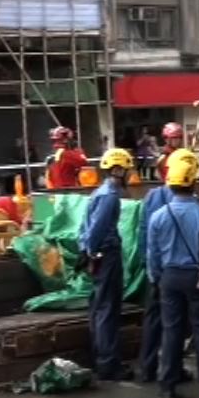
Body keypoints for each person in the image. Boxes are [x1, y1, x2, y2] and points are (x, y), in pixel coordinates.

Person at [146, 149, 199, 398]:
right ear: (193, 184)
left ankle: (167, 384)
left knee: (171, 330)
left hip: (169, 278)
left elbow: (153, 255)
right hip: (198, 278)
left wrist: (156, 279)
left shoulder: (158, 217)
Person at [138, 148, 195, 385]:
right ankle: (172, 371)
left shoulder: (153, 196)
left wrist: (149, 268)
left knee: (155, 320)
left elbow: (145, 233)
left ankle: (148, 369)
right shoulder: (190, 202)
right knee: (176, 323)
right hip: (176, 271)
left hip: (158, 270)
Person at [81, 148, 136, 382]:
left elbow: (87, 228)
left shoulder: (100, 193)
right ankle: (108, 364)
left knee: (99, 308)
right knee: (108, 310)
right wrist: (91, 251)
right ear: (117, 170)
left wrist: (86, 251)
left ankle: (101, 358)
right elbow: (97, 229)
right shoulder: (109, 197)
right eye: (127, 170)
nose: (130, 174)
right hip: (106, 256)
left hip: (99, 255)